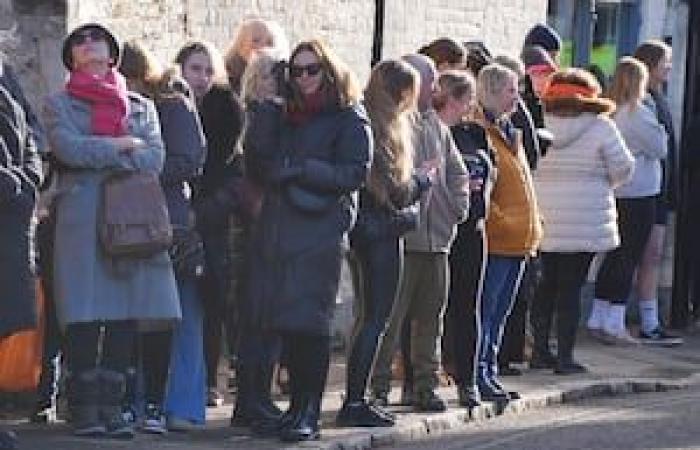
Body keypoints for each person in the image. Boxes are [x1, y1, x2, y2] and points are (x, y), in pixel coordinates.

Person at [44, 23, 181, 438]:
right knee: (84, 313)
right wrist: (122, 146)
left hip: (131, 218)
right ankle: (84, 408)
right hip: (82, 217)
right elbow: (69, 148)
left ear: (112, 52)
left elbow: (155, 158)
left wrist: (106, 154)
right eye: (79, 42)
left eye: (96, 39)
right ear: (70, 57)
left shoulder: (140, 105)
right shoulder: (59, 103)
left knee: (124, 310)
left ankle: (115, 407)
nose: (88, 47)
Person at [244, 38, 371, 442]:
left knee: (309, 326)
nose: (303, 78)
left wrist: (302, 169)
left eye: (311, 69)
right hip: (277, 231)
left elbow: (353, 174)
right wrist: (265, 111)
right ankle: (293, 408)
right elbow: (259, 164)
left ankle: (308, 411)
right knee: (282, 323)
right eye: (295, 71)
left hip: (318, 231)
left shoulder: (349, 117)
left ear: (329, 71)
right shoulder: (284, 115)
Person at [370, 53, 470, 413]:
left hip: (437, 241)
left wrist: (454, 212)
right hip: (403, 240)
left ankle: (425, 387)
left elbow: (458, 175)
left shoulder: (437, 126)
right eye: (429, 80)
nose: (435, 87)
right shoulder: (395, 124)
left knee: (431, 321)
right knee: (389, 321)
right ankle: (375, 388)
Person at [118, 39, 207, 433]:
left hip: (166, 223)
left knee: (166, 318)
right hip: (129, 220)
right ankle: (135, 401)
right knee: (131, 316)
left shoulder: (172, 105)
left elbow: (189, 160)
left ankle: (167, 404)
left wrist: (140, 171)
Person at [338, 59, 428, 427]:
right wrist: (425, 180)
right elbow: (396, 192)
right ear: (403, 94)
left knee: (364, 318)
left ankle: (354, 397)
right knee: (376, 319)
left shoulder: (361, 118)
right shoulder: (387, 130)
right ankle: (356, 401)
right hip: (382, 234)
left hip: (362, 234)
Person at [531, 68, 634, 374]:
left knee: (544, 286)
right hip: (585, 217)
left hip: (543, 213)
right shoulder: (602, 128)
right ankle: (565, 356)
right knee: (571, 288)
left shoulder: (539, 123)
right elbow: (624, 168)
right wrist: (601, 183)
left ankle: (539, 351)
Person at [175, 40, 245, 408]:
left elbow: (236, 172)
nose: (200, 78)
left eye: (207, 69)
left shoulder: (226, 111)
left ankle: (207, 380)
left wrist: (207, 208)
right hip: (171, 218)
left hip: (210, 221)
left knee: (211, 302)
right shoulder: (168, 106)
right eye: (194, 69)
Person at [587, 57, 668, 345]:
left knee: (612, 256)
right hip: (639, 193)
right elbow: (660, 147)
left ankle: (598, 316)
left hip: (616, 192)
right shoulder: (639, 113)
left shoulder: (610, 111)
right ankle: (614, 322)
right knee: (629, 256)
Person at [474, 63, 541, 401]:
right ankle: (478, 375)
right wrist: (507, 222)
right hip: (499, 241)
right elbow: (483, 192)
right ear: (492, 91)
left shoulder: (509, 130)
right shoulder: (479, 132)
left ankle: (490, 372)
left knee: (501, 314)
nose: (518, 96)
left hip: (519, 241)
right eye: (512, 90)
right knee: (486, 313)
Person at [437, 70, 495, 408]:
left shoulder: (476, 133)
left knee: (467, 306)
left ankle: (468, 381)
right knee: (431, 308)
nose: (470, 105)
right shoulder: (433, 131)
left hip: (473, 229)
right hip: (442, 228)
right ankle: (420, 380)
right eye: (467, 98)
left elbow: (491, 173)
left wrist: (481, 186)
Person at [0, 57, 43, 450]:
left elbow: (32, 133)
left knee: (6, 317)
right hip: (7, 197)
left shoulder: (4, 71)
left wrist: (29, 176)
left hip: (11, 218)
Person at [632, 40, 682, 345]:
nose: (670, 67)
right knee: (646, 254)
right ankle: (646, 322)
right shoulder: (644, 101)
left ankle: (650, 320)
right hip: (646, 189)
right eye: (666, 61)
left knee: (653, 254)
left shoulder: (658, 97)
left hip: (660, 186)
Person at [224, 18, 288, 94]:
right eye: (256, 41)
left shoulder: (285, 79)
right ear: (241, 46)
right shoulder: (225, 82)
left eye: (269, 42)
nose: (263, 46)